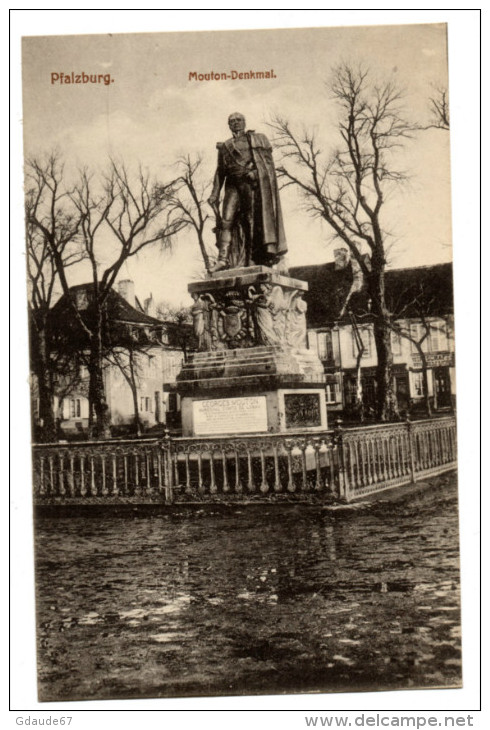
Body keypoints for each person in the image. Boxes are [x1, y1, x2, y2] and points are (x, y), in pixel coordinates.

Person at [208, 112, 287, 272]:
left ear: (244, 122)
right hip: (232, 184)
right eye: (232, 121)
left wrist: (257, 173)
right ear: (228, 125)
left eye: (238, 120)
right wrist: (215, 193)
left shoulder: (256, 139)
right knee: (226, 221)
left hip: (249, 184)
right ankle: (222, 259)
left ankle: (253, 258)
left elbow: (267, 163)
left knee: (251, 221)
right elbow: (220, 171)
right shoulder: (225, 146)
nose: (235, 123)